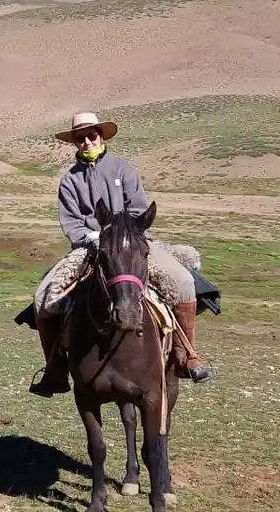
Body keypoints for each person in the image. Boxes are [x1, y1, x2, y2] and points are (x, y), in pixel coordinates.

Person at [28, 112, 215, 398]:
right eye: (81, 138)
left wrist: (125, 233)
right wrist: (89, 236)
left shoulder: (124, 170)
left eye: (92, 135)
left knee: (183, 282)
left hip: (132, 243)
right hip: (89, 246)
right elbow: (71, 220)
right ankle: (55, 370)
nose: (87, 141)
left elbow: (139, 209)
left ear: (101, 137)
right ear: (75, 142)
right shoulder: (69, 181)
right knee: (43, 295)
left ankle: (185, 355)